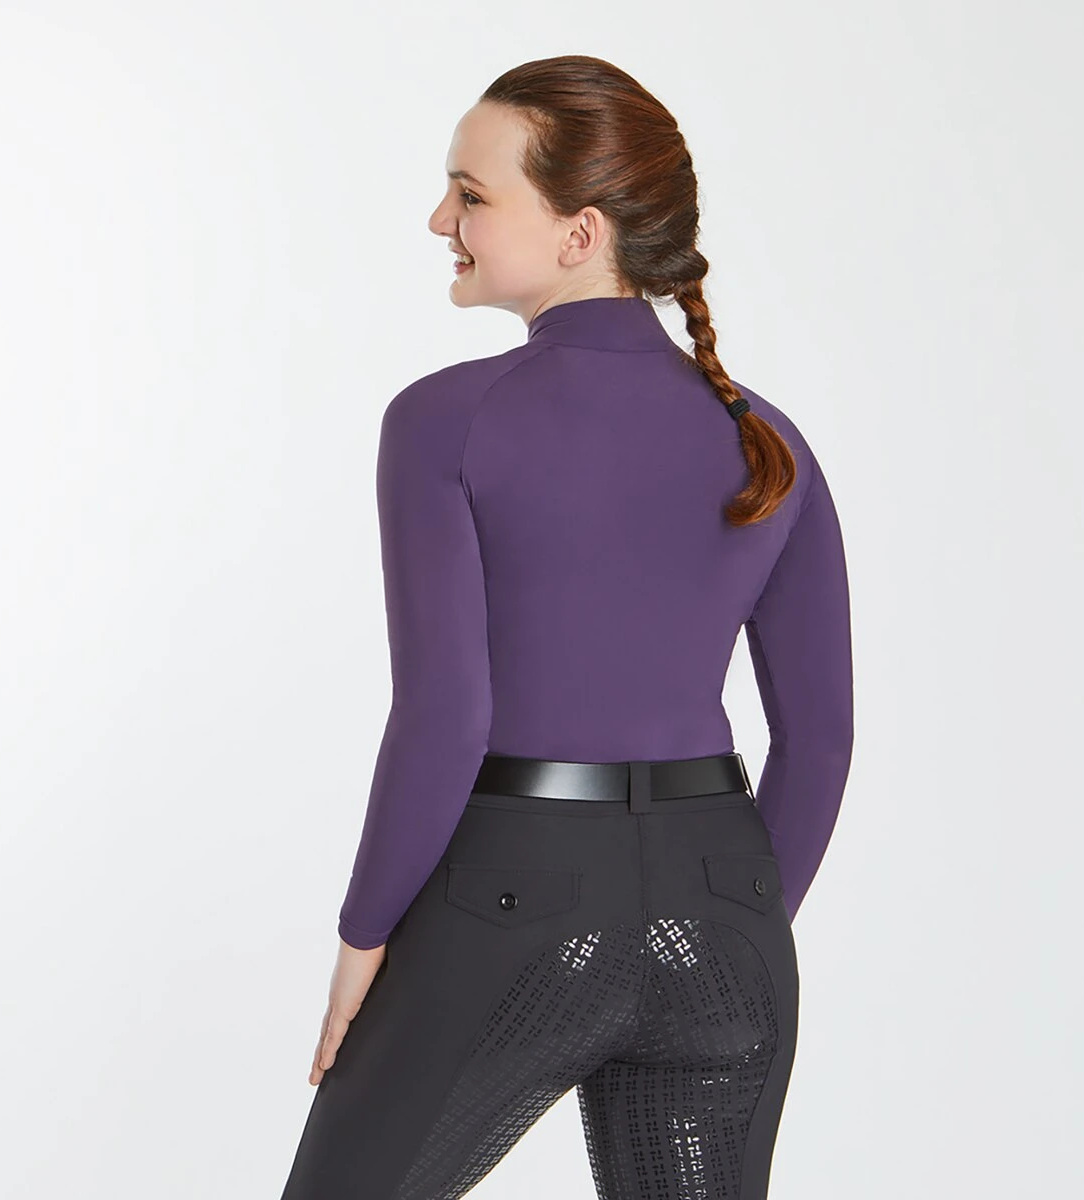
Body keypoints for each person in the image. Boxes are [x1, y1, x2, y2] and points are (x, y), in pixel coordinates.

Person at [280, 53, 854, 1200]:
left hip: (513, 904)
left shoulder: (446, 420)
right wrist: (731, 924)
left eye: (471, 195)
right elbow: (821, 740)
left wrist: (363, 938)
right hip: (724, 922)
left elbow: (446, 717)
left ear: (581, 233)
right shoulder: (768, 441)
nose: (440, 220)